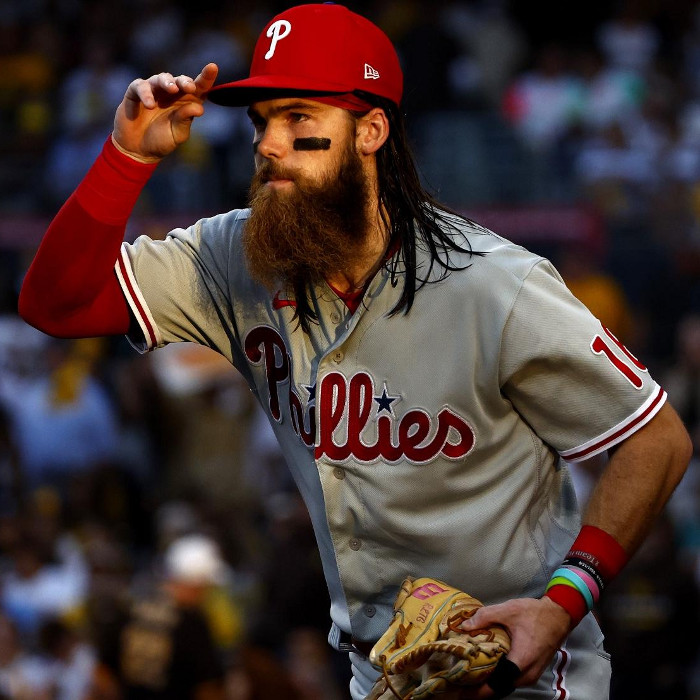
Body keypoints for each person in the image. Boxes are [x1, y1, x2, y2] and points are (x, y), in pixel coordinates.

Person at [18, 4, 692, 699]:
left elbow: (657, 438)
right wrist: (125, 157)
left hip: (520, 673)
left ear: (370, 130)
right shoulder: (235, 258)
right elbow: (54, 305)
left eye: (297, 118)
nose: (268, 144)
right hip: (377, 673)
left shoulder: (495, 284)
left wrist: (565, 600)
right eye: (260, 121)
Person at [88, 534, 227, 700]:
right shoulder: (192, 625)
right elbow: (208, 689)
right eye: (206, 587)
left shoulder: (130, 608)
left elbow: (102, 675)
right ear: (196, 584)